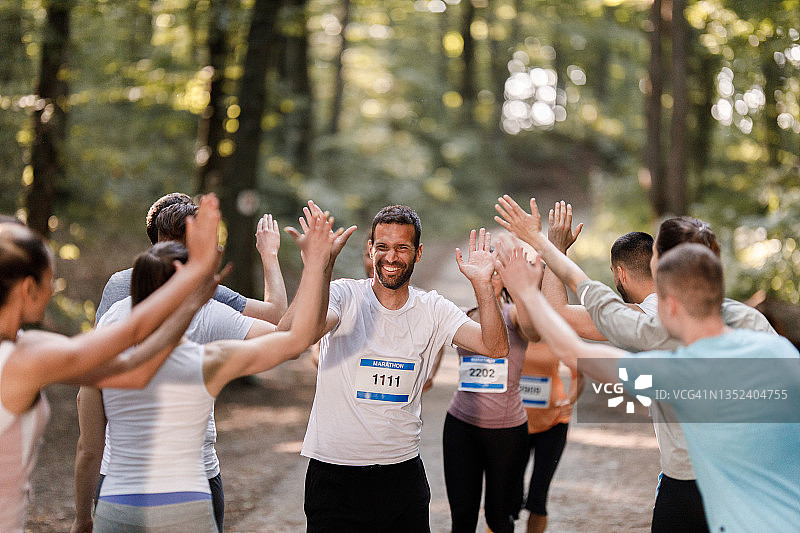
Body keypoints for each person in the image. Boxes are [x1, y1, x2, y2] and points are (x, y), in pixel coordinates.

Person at [494, 195, 776, 532]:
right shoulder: (750, 320)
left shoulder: (651, 323)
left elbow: (565, 328)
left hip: (687, 481)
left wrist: (543, 256)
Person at [91, 206, 345, 532]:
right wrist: (315, 264)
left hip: (116, 502)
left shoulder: (111, 324)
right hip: (185, 504)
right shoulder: (204, 359)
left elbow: (89, 417)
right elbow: (294, 340)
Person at [277, 204, 509, 532]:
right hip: (334, 477)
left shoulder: (433, 308)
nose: (391, 257)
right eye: (383, 247)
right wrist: (320, 267)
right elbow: (301, 335)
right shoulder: (344, 295)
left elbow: (496, 347)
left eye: (402, 248)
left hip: (402, 478)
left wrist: (484, 285)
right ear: (370, 250)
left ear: (418, 253)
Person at [0, 194, 223, 532]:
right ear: (29, 287)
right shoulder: (25, 358)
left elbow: (134, 371)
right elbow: (133, 337)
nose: (54, 289)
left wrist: (188, 309)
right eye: (51, 279)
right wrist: (194, 273)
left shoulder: (27, 349)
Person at [71, 202, 282, 533]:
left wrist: (82, 516)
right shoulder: (207, 299)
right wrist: (273, 257)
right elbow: (283, 329)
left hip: (120, 478)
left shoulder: (125, 298)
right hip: (186, 480)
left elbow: (94, 383)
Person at [442, 263, 538, 533]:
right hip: (461, 425)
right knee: (462, 517)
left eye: (496, 273)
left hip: (506, 431)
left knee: (499, 518)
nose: (489, 277)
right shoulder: (462, 316)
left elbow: (534, 329)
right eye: (484, 272)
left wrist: (524, 287)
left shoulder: (515, 314)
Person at [96, 192, 287, 323]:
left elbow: (96, 354)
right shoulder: (205, 292)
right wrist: (269, 253)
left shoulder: (118, 283)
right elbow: (276, 316)